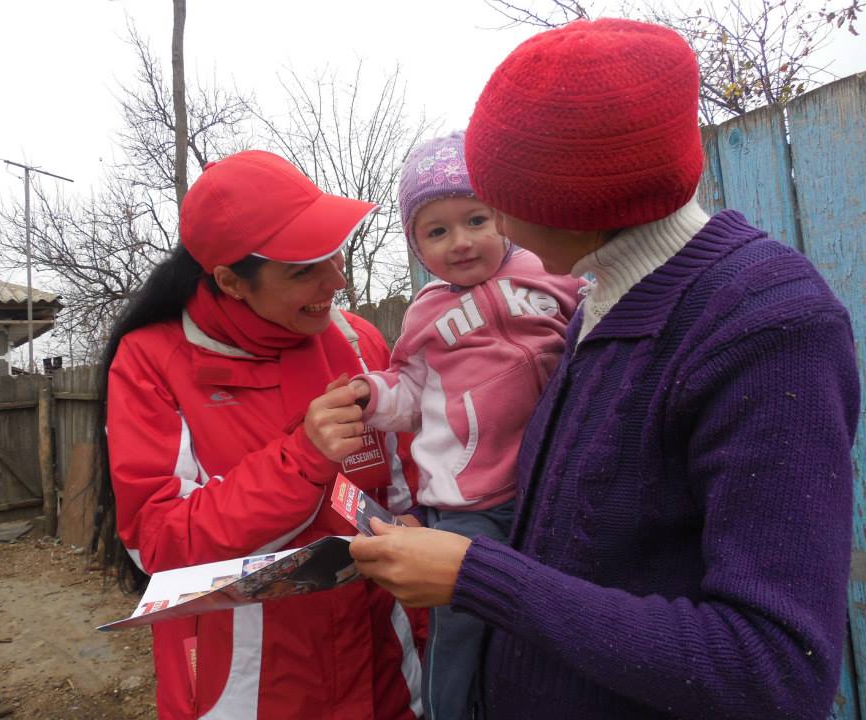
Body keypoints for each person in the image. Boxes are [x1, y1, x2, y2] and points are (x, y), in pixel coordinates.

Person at [349, 18, 860, 720]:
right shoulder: (598, 298)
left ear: (567, 205)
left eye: (498, 207)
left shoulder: (766, 329)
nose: (493, 231)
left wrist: (479, 577)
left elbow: (773, 669)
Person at [95, 150, 423, 719]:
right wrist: (301, 461)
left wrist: (418, 527)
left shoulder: (357, 341)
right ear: (231, 281)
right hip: (250, 685)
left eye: (333, 253)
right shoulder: (154, 361)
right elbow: (158, 542)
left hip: (384, 665)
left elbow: (404, 485)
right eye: (303, 270)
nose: (337, 280)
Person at [345, 131, 582, 720]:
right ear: (417, 246)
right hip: (471, 500)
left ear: (504, 217)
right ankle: (447, 710)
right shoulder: (426, 312)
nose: (461, 242)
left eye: (476, 219)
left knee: (555, 616)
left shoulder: (550, 273)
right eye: (437, 231)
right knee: (463, 621)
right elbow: (410, 393)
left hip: (559, 484)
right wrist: (370, 394)